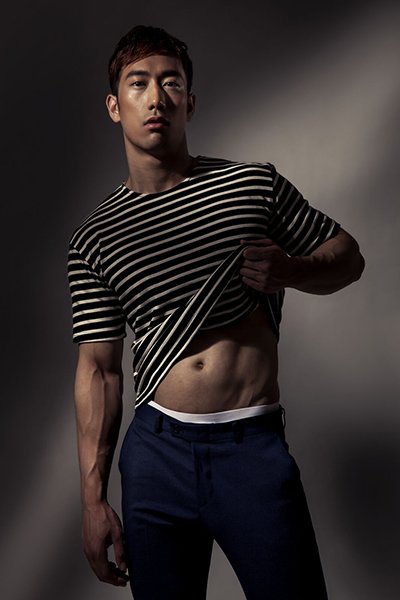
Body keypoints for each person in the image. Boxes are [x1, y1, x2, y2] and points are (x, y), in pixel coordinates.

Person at [67, 25, 364, 600]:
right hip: (156, 456)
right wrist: (92, 500)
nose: (157, 98)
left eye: (171, 82)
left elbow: (348, 257)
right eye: (138, 83)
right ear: (114, 106)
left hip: (250, 447)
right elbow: (99, 369)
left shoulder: (253, 185)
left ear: (190, 101)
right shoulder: (95, 237)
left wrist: (291, 270)